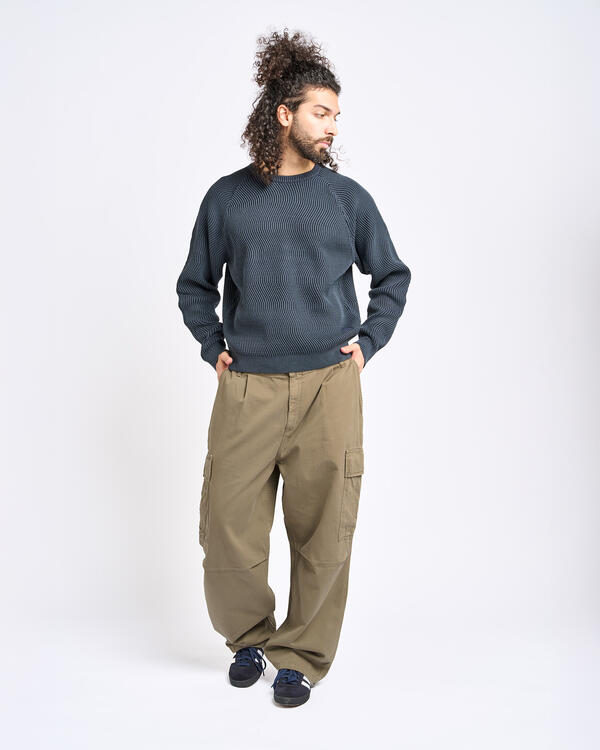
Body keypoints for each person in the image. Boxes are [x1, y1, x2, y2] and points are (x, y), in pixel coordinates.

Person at [176, 28, 411, 708]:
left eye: (336, 115)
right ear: (284, 114)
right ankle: (248, 638)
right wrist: (212, 343)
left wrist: (368, 342)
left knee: (324, 531)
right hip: (246, 384)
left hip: (328, 387)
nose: (333, 126)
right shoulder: (227, 199)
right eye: (321, 112)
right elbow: (194, 285)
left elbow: (391, 277)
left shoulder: (347, 198)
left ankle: (301, 656)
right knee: (227, 527)